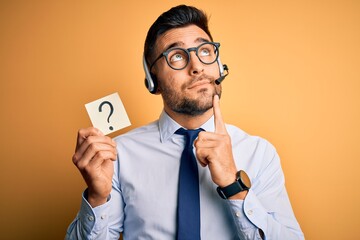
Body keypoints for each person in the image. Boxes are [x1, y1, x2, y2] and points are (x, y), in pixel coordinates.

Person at [66, 4, 304, 240]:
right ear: (153, 80)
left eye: (205, 51)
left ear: (219, 65)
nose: (197, 66)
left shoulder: (259, 153)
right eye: (177, 56)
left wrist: (233, 186)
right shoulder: (119, 155)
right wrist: (97, 198)